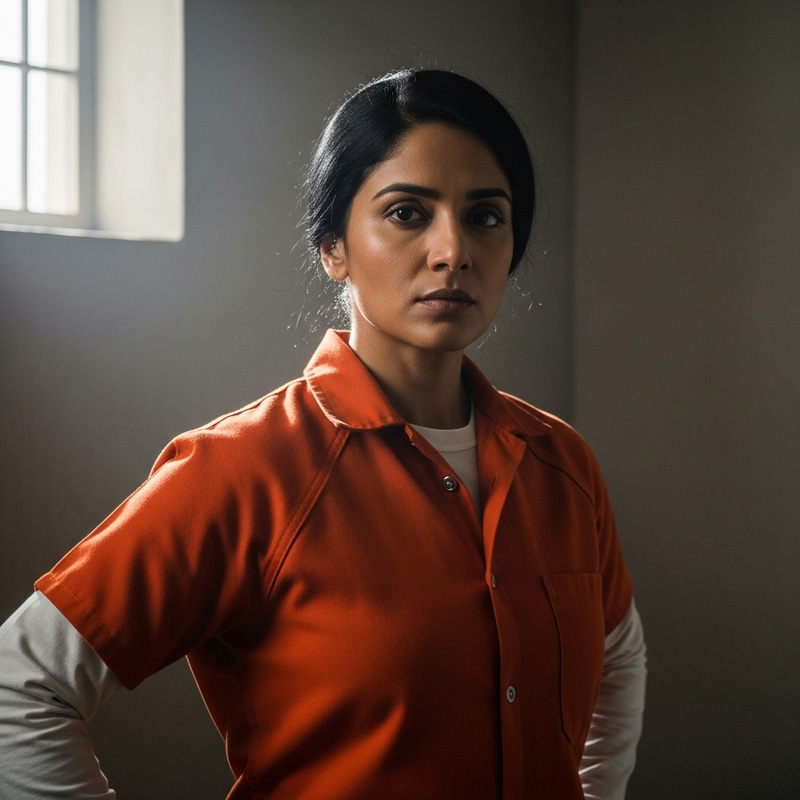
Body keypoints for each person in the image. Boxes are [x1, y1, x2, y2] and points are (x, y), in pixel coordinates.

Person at [0, 68, 646, 799]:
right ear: (333, 246)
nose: (452, 250)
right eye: (407, 213)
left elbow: (618, 654)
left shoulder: (562, 462)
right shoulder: (243, 469)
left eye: (486, 216)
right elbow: (18, 688)